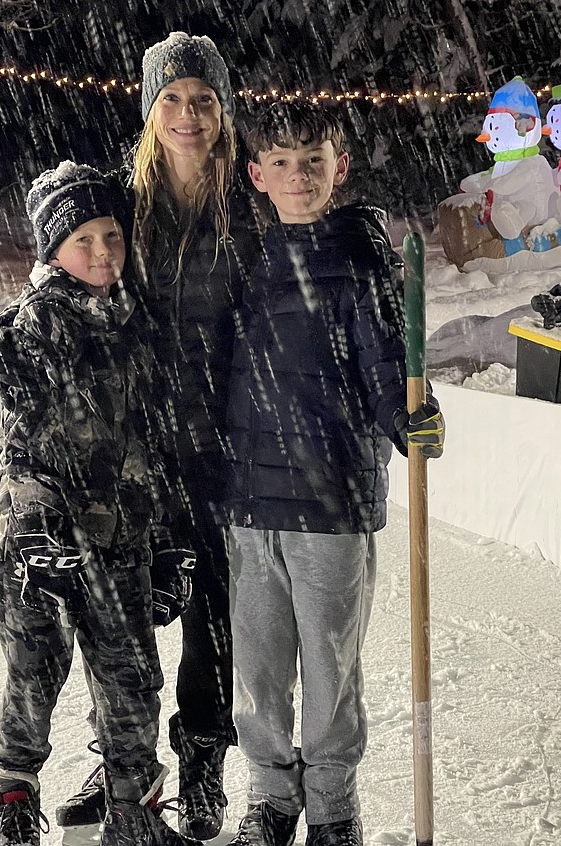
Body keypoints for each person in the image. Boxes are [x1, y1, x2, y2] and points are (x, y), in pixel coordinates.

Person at [223, 101, 445, 846]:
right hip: (252, 498)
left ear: (339, 167)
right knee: (257, 665)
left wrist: (407, 416)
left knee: (329, 663)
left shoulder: (362, 257)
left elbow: (388, 361)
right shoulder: (248, 260)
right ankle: (270, 796)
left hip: (330, 497)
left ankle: (333, 804)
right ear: (257, 175)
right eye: (281, 163)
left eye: (313, 160)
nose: (299, 176)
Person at [55, 32, 258, 842]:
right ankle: (126, 759)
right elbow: (69, 275)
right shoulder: (120, 206)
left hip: (221, 439)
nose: (187, 114)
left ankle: (204, 759)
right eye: (171, 99)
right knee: (119, 612)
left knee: (213, 611)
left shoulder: (247, 202)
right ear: (149, 110)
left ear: (224, 109)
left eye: (203, 99)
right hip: (131, 442)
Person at [0, 161, 197, 846]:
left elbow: (154, 439)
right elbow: (22, 445)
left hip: (123, 539)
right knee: (36, 670)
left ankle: (134, 811)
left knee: (133, 679)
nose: (103, 251)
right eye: (84, 239)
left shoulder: (139, 323)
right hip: (41, 549)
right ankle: (15, 789)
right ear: (52, 251)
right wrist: (36, 532)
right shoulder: (37, 326)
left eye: (112, 235)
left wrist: (169, 540)